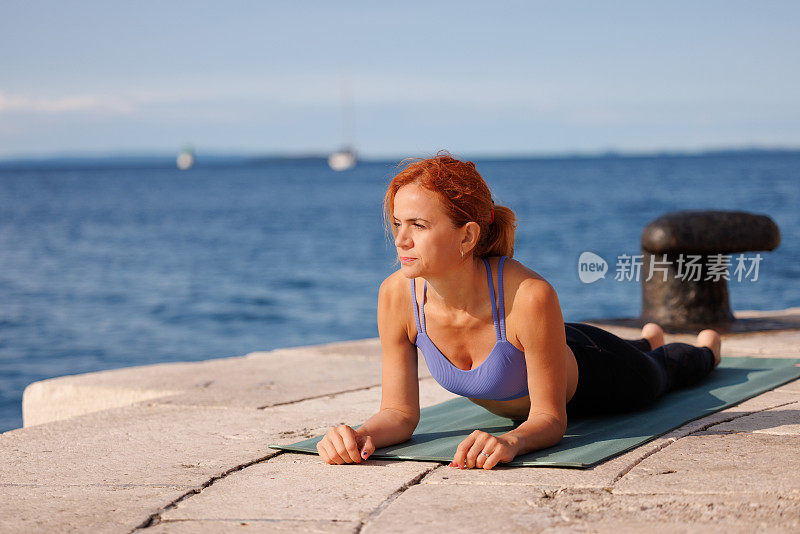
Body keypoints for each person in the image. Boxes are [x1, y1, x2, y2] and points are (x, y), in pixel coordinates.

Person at [317, 152, 722, 470]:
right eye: (397, 223)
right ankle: (646, 338)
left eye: (418, 226)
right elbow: (399, 414)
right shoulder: (397, 297)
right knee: (636, 344)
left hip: (598, 372)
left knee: (663, 372)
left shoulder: (529, 296)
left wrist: (513, 440)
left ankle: (706, 348)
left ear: (468, 235)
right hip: (550, 346)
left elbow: (550, 419)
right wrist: (360, 433)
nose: (401, 239)